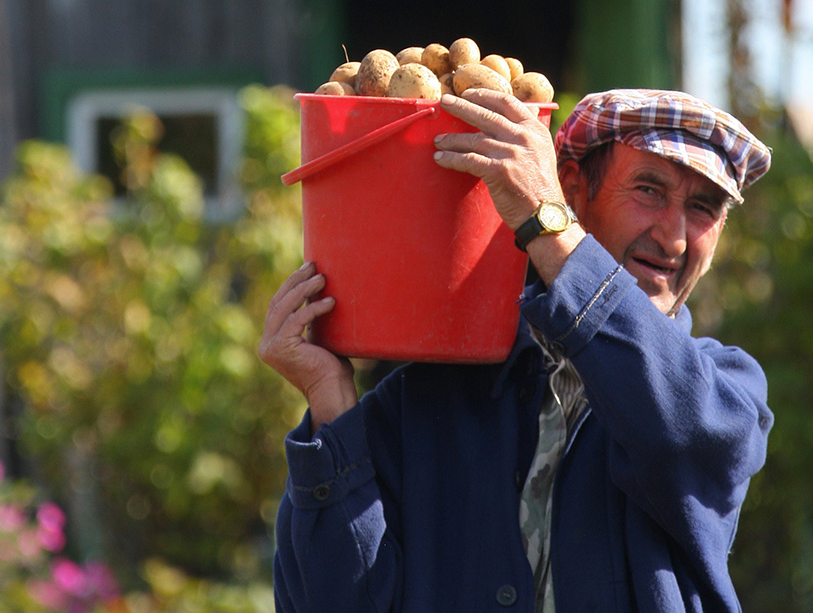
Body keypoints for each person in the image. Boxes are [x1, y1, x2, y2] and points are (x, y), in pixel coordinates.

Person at [260, 88, 774, 612]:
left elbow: (675, 425)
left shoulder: (728, 394)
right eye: (648, 190)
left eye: (703, 208)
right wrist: (330, 403)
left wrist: (545, 224)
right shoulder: (423, 401)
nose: (675, 238)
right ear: (573, 190)